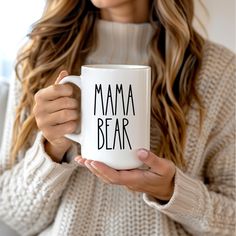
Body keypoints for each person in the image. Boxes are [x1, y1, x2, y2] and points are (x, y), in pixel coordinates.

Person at [0, 0, 235, 235]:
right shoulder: (40, 58)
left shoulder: (218, 72)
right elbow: (12, 215)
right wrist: (52, 149)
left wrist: (171, 191)